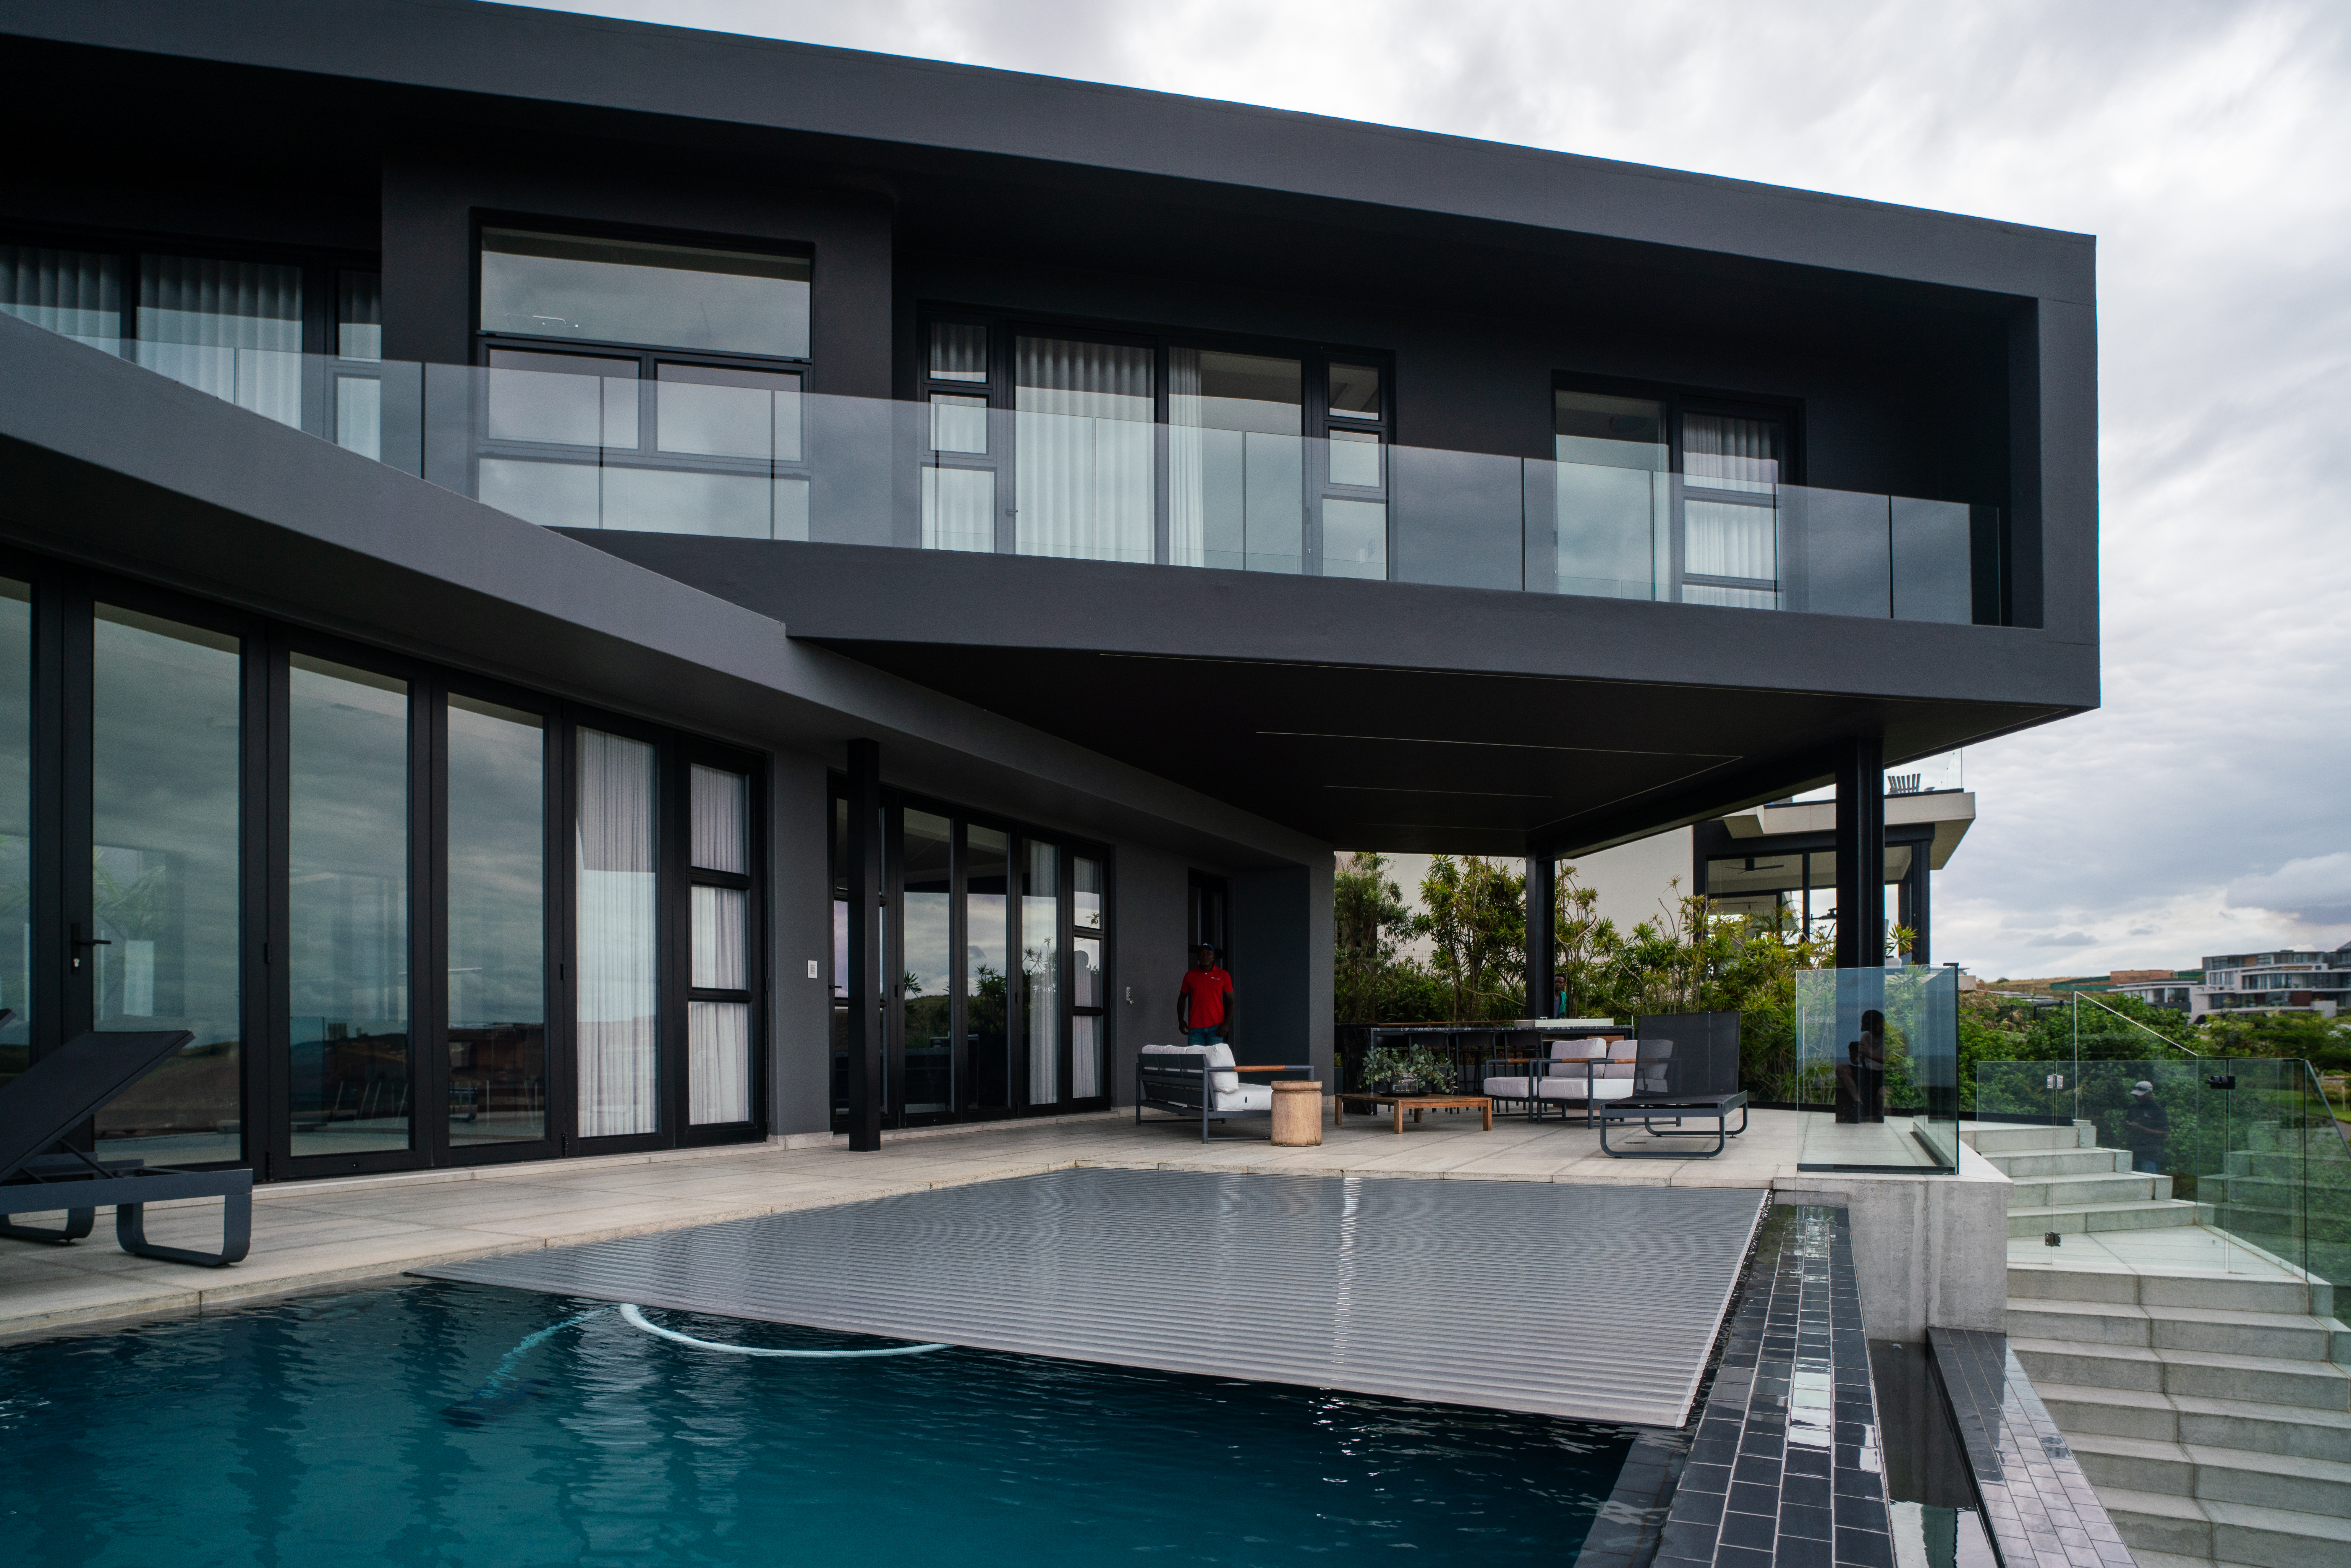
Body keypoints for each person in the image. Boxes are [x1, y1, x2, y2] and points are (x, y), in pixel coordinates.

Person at [1177, 944, 1234, 1048]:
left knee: (1213, 1058)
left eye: (1209, 953)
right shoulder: (1190, 975)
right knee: (1195, 1058)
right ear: (1198, 956)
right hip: (1195, 1028)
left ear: (1214, 957)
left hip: (1216, 1028)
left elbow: (1231, 1001)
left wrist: (1227, 1024)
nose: (1206, 956)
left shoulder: (1223, 975)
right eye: (1203, 953)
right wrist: (1181, 1021)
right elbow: (1182, 998)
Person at [2122, 1080, 2168, 1175]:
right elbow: (2130, 1125)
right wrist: (2126, 1126)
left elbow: (2165, 1134)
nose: (2138, 1097)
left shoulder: (2158, 1110)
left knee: (2149, 1179)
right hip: (2133, 1151)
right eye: (2136, 1095)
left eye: (2141, 1095)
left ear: (2149, 1094)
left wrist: (2141, 1128)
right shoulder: (2134, 1107)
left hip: (2150, 1154)